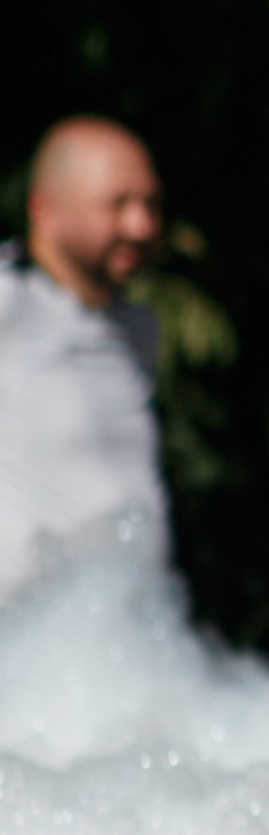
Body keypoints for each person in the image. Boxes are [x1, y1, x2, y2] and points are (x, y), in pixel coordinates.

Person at [0, 117, 170, 607]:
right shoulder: (10, 303)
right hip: (25, 629)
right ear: (45, 210)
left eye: (150, 204)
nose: (141, 226)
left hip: (127, 630)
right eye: (117, 204)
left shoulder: (137, 330)